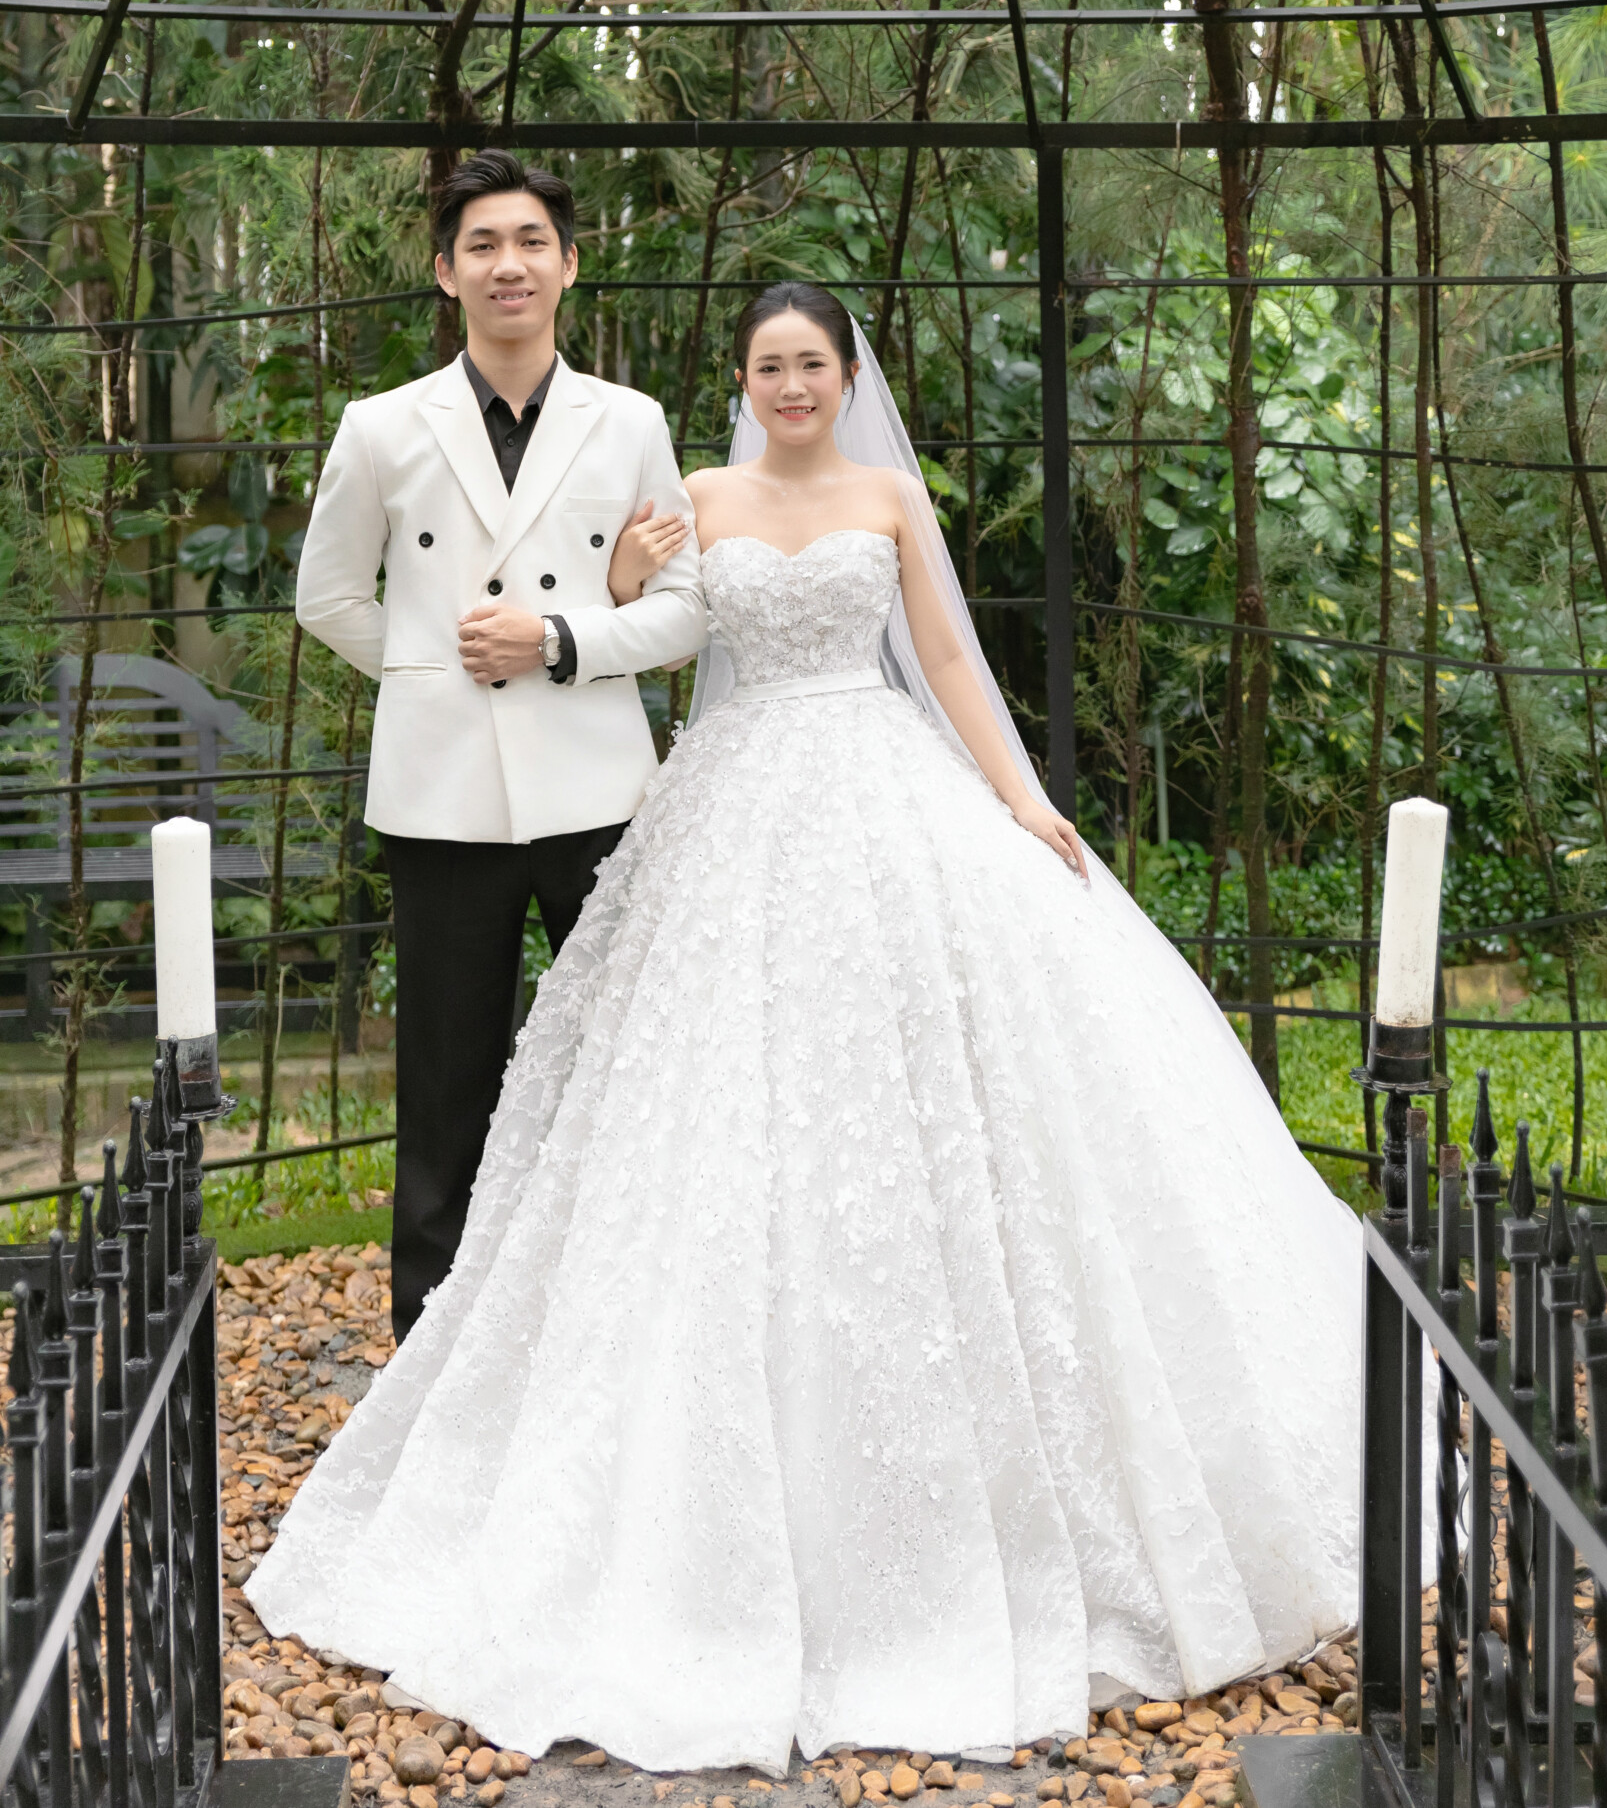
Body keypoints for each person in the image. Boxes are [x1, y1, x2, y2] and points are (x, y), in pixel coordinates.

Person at [251, 280, 1362, 1774]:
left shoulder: (889, 497)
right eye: (768, 364)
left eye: (812, 364)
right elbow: (648, 627)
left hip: (884, 790)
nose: (790, 385)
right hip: (730, 799)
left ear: (846, 377)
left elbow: (948, 660)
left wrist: (1021, 799)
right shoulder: (694, 494)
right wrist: (609, 588)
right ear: (743, 380)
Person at [293, 149, 704, 1341]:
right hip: (442, 793)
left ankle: (618, 1327)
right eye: (482, 244)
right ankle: (430, 1339)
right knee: (445, 1078)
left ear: (568, 265)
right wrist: (436, 666)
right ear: (446, 271)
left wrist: (556, 640)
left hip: (598, 789)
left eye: (530, 241)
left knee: (618, 1065)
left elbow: (684, 609)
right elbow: (327, 596)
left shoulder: (629, 421)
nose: (507, 264)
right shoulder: (382, 427)